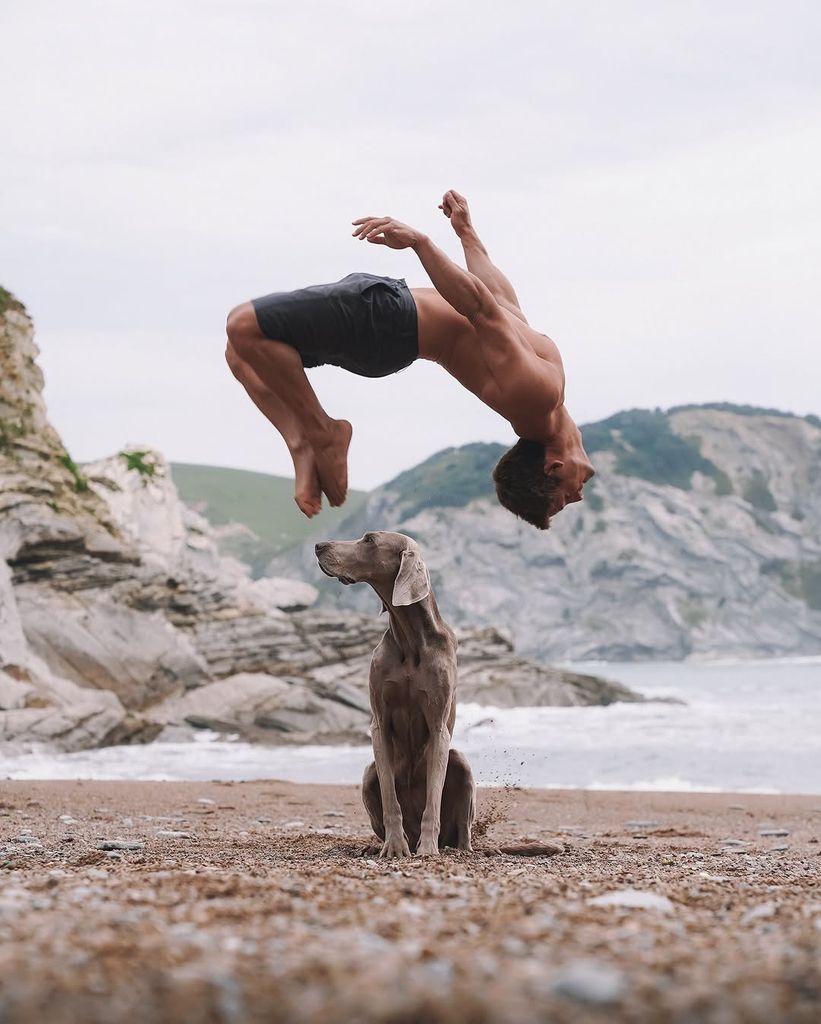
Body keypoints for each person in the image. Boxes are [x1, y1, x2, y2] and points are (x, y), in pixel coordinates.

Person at [225, 190, 594, 528]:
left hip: (388, 321)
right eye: (565, 501)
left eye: (564, 500)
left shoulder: (535, 399)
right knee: (241, 354)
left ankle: (322, 432)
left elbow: (482, 311)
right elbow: (504, 305)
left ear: (552, 467)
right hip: (387, 328)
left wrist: (421, 243)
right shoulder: (543, 396)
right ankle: (301, 443)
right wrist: (467, 234)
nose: (578, 496)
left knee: (243, 326)